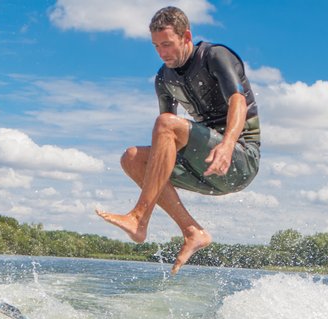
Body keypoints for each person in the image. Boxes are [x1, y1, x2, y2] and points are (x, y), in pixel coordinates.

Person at [96, 6, 260, 274]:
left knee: (165, 124)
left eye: (167, 44)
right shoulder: (163, 78)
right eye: (156, 46)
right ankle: (192, 232)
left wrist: (227, 145)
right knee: (132, 158)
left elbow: (238, 101)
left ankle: (139, 218)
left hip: (239, 160)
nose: (162, 53)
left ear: (186, 37)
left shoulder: (214, 56)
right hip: (205, 167)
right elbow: (166, 139)